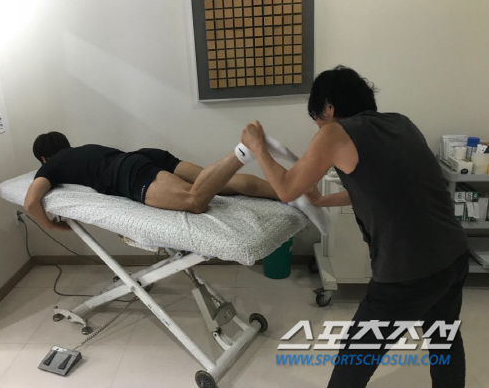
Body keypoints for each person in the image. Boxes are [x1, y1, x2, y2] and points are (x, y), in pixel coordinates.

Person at [239, 65, 469, 388]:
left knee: (354, 359)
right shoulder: (401, 123)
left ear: (329, 108)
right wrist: (322, 201)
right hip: (454, 256)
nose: (318, 127)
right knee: (444, 339)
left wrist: (257, 147)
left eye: (317, 118)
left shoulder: (335, 133)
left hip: (407, 271)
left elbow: (287, 189)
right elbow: (380, 188)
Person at [24, 132, 281, 231]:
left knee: (194, 200)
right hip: (143, 156)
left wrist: (52, 226)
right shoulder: (83, 149)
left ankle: (242, 152)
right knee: (222, 183)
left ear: (44, 158)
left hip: (128, 173)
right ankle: (288, 192)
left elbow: (31, 203)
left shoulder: (51, 165)